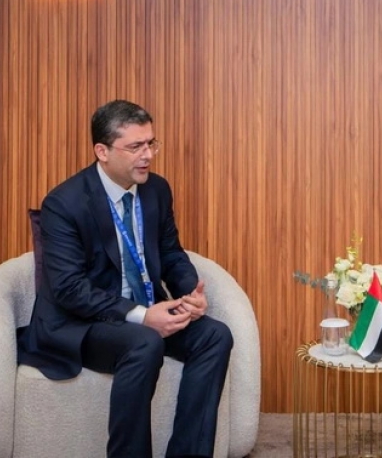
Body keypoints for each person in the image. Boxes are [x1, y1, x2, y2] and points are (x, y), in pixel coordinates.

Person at [17, 99, 232, 458]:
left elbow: (170, 252)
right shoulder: (64, 203)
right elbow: (70, 289)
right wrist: (143, 316)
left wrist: (189, 292)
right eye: (135, 147)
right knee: (144, 342)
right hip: (84, 323)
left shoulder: (156, 190)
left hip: (144, 309)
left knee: (215, 335)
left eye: (151, 144)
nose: (147, 155)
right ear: (102, 151)